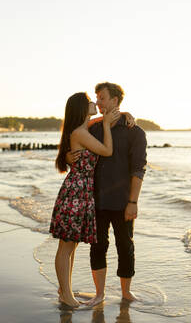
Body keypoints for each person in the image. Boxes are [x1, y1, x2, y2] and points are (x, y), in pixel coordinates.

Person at [67, 82, 147, 306]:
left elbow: (138, 169)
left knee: (125, 245)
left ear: (115, 100)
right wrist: (66, 156)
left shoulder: (135, 132)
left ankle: (126, 292)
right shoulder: (93, 128)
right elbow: (72, 143)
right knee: (98, 246)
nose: (98, 102)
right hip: (95, 200)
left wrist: (133, 201)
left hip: (123, 201)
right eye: (97, 98)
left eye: (101, 98)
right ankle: (99, 294)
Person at [49, 92, 120, 308]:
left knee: (71, 246)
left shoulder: (82, 129)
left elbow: (100, 118)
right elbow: (107, 151)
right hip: (76, 193)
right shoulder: (80, 132)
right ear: (81, 107)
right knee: (66, 247)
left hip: (80, 192)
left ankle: (65, 291)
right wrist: (107, 126)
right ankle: (66, 295)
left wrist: (120, 116)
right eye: (89, 100)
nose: (93, 103)